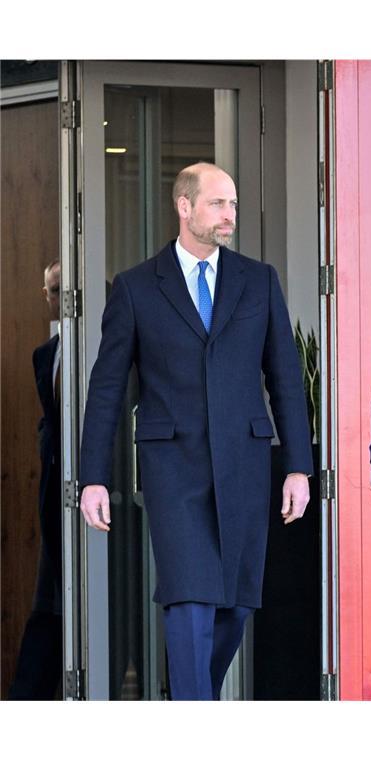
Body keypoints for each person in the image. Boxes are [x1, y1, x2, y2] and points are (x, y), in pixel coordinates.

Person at [78, 162, 312, 700]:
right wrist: (93, 477)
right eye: (217, 204)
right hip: (173, 468)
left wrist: (298, 466)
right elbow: (108, 386)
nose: (230, 215)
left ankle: (186, 701)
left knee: (236, 602)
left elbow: (285, 379)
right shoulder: (137, 288)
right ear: (184, 207)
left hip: (246, 463)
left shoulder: (259, 280)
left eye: (232, 204)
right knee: (189, 596)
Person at [7, 260, 64, 699]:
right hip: (55, 499)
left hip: (110, 496)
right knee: (48, 604)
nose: (59, 298)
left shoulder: (109, 348)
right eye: (52, 290)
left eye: (64, 289)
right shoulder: (44, 355)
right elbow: (50, 419)